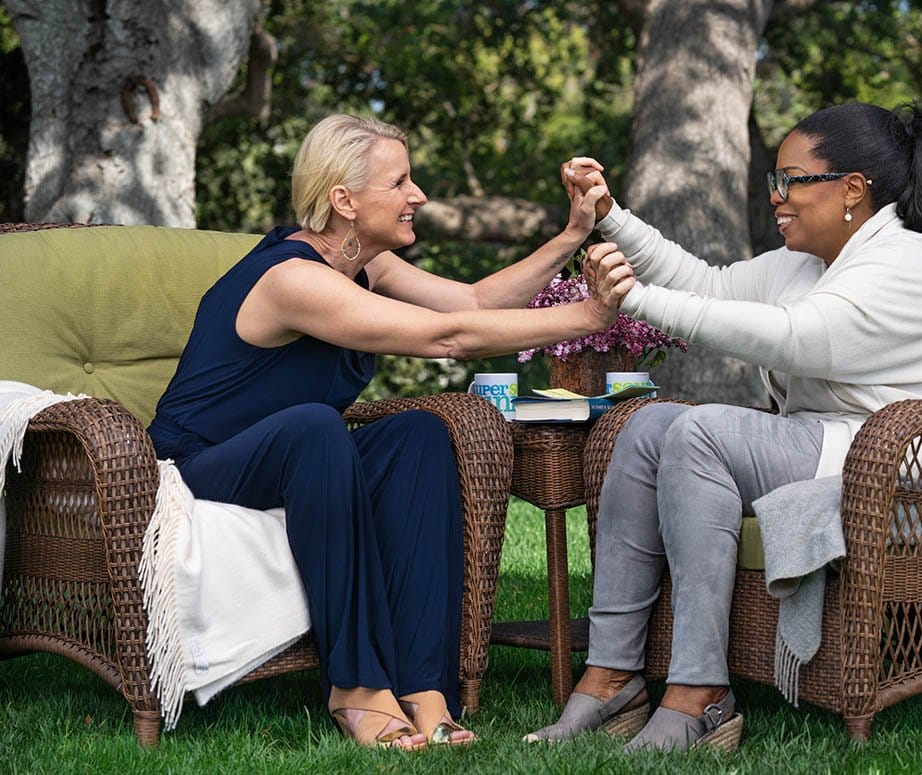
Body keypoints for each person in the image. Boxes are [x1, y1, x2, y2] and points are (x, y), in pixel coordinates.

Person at [147, 113, 633, 751]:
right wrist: (589, 315)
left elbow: (474, 303)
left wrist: (573, 233)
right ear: (344, 200)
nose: (418, 196)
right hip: (193, 468)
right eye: (399, 182)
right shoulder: (291, 278)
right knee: (315, 427)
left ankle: (424, 686)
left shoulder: (364, 266)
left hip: (296, 457)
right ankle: (355, 686)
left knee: (419, 437)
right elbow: (448, 338)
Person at [524, 101, 922, 752]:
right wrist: (611, 217)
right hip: (839, 444)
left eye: (790, 180)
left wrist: (630, 299)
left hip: (919, 466)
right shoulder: (809, 260)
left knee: (702, 433)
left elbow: (794, 338)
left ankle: (700, 696)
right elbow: (708, 285)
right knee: (647, 426)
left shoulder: (910, 261)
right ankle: (611, 679)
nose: (776, 196)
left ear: (852, 189)